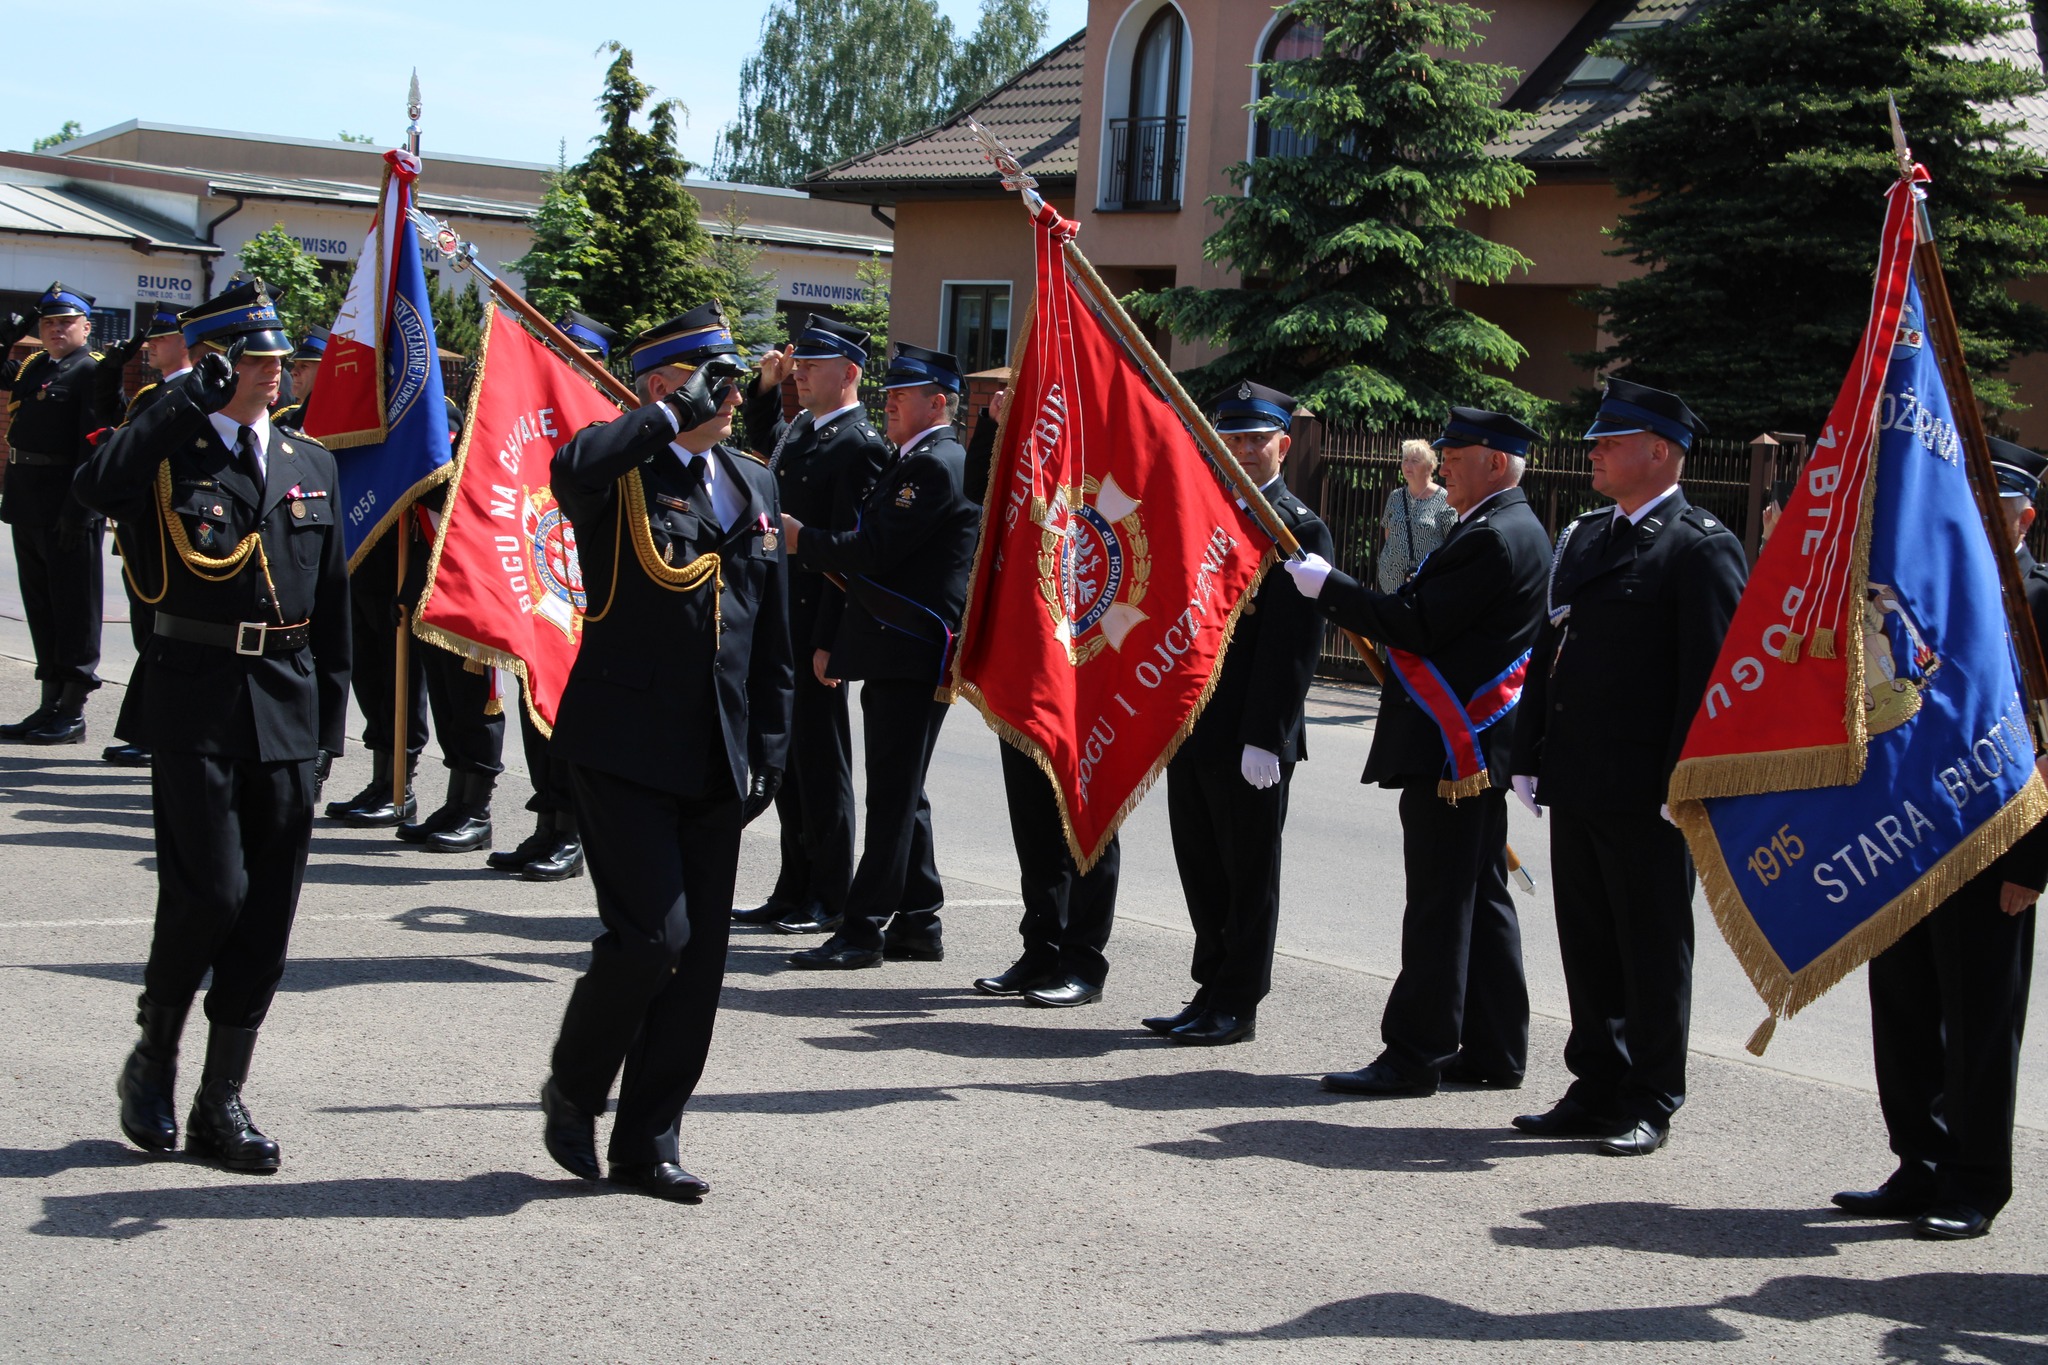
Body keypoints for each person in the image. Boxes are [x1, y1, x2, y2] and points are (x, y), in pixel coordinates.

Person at [77, 279, 350, 1172]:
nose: (275, 374)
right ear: (220, 359)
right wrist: (181, 394)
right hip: (194, 700)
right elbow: (97, 486)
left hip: (288, 705)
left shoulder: (311, 464)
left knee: (266, 913)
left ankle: (220, 1099)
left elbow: (336, 613)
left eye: (280, 360)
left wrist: (328, 737)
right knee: (211, 894)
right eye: (259, 359)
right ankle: (154, 1056)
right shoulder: (169, 452)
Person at [538, 302, 791, 1201]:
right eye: (705, 377)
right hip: (625, 745)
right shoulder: (624, 471)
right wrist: (667, 416)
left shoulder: (753, 484)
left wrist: (771, 743)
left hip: (717, 754)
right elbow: (572, 465)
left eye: (729, 375)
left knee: (699, 963)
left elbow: (771, 633)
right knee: (652, 938)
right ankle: (575, 1084)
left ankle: (649, 1140)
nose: (728, 391)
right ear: (660, 385)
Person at [1507, 379, 1745, 1156]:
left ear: (1662, 451)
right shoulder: (1585, 536)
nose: (1594, 453)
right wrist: (1528, 747)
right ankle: (1596, 1083)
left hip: (1648, 791)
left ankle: (1650, 1094)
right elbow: (1552, 650)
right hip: (1578, 775)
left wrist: (1689, 783)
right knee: (1588, 939)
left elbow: (1708, 680)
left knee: (1651, 945)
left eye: (1611, 441)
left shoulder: (1700, 545)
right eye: (1596, 441)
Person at [1283, 406, 1549, 1096]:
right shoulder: (1508, 527)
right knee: (1481, 896)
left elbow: (1416, 624)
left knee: (1439, 902)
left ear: (1494, 460)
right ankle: (1494, 1047)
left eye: (1455, 455)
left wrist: (1330, 591)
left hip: (1451, 751)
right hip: (1469, 747)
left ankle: (1415, 1052)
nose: (1443, 464)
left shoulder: (1492, 537)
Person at [1832, 437, 2047, 1239]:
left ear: (2024, 516)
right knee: (1906, 1003)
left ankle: (1975, 1178)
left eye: (1991, 507)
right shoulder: (1926, 591)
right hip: (1906, 833)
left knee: (1982, 1016)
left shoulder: (2037, 599)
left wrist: (2035, 859)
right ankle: (1918, 1160)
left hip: (1996, 845)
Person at [782, 342, 978, 971]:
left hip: (912, 648)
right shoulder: (914, 458)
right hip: (894, 646)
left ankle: (862, 930)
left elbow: (874, 550)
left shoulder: (938, 465)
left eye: (902, 396)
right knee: (903, 790)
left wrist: (803, 540)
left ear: (938, 402)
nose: (888, 404)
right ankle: (919, 918)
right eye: (888, 394)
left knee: (892, 797)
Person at [1148, 383, 1333, 1042]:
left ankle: (1238, 1001)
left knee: (1248, 874)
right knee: (1201, 865)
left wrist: (1266, 736)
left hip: (1251, 735)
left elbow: (1294, 649)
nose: (1246, 450)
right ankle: (1210, 986)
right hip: (1194, 721)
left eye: (1258, 439)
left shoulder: (1297, 526)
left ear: (1283, 444)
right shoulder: (1204, 512)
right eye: (1234, 438)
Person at [733, 315, 890, 934]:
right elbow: (769, 457)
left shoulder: (860, 443)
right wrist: (767, 389)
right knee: (789, 761)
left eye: (813, 366)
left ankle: (828, 892)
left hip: (816, 626)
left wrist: (831, 641)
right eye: (799, 364)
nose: (800, 371)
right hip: (782, 622)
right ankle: (792, 886)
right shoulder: (803, 429)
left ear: (850, 373)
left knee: (823, 767)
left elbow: (849, 557)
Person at [323, 397, 507, 852]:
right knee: (446, 699)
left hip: (474, 588)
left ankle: (477, 810)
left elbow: (456, 493)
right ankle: (455, 803)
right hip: (430, 584)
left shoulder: (483, 434)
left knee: (473, 701)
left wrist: (403, 466)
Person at [485, 310, 621, 882]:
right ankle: (547, 823)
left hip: (588, 598)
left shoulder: (612, 429)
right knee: (532, 701)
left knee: (575, 715)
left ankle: (572, 831)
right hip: (541, 587)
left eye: (564, 354)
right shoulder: (539, 425)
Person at [0, 284, 131, 745]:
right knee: (41, 605)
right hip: (28, 501)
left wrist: (80, 509)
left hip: (65, 504)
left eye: (66, 322)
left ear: (86, 328)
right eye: (49, 323)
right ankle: (49, 702)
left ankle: (72, 711)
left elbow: (92, 447)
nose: (57, 330)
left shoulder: (90, 372)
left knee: (74, 606)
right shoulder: (38, 366)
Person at [101, 302, 194, 768]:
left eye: (161, 338)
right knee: (146, 632)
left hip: (171, 535)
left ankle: (160, 731)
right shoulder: (148, 397)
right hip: (141, 533)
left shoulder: (197, 395)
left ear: (186, 342)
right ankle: (152, 729)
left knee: (164, 636)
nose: (151, 346)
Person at [1378, 438, 1456, 592]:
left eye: (1415, 461)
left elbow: (1451, 543)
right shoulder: (1396, 496)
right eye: (1405, 460)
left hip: (1426, 583)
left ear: (1430, 466)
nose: (1407, 465)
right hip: (1391, 581)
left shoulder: (1445, 499)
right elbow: (1388, 533)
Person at [270, 326, 326, 428]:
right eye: (295, 365)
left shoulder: (339, 421)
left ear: (326, 372)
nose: (293, 372)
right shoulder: (284, 419)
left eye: (304, 366)